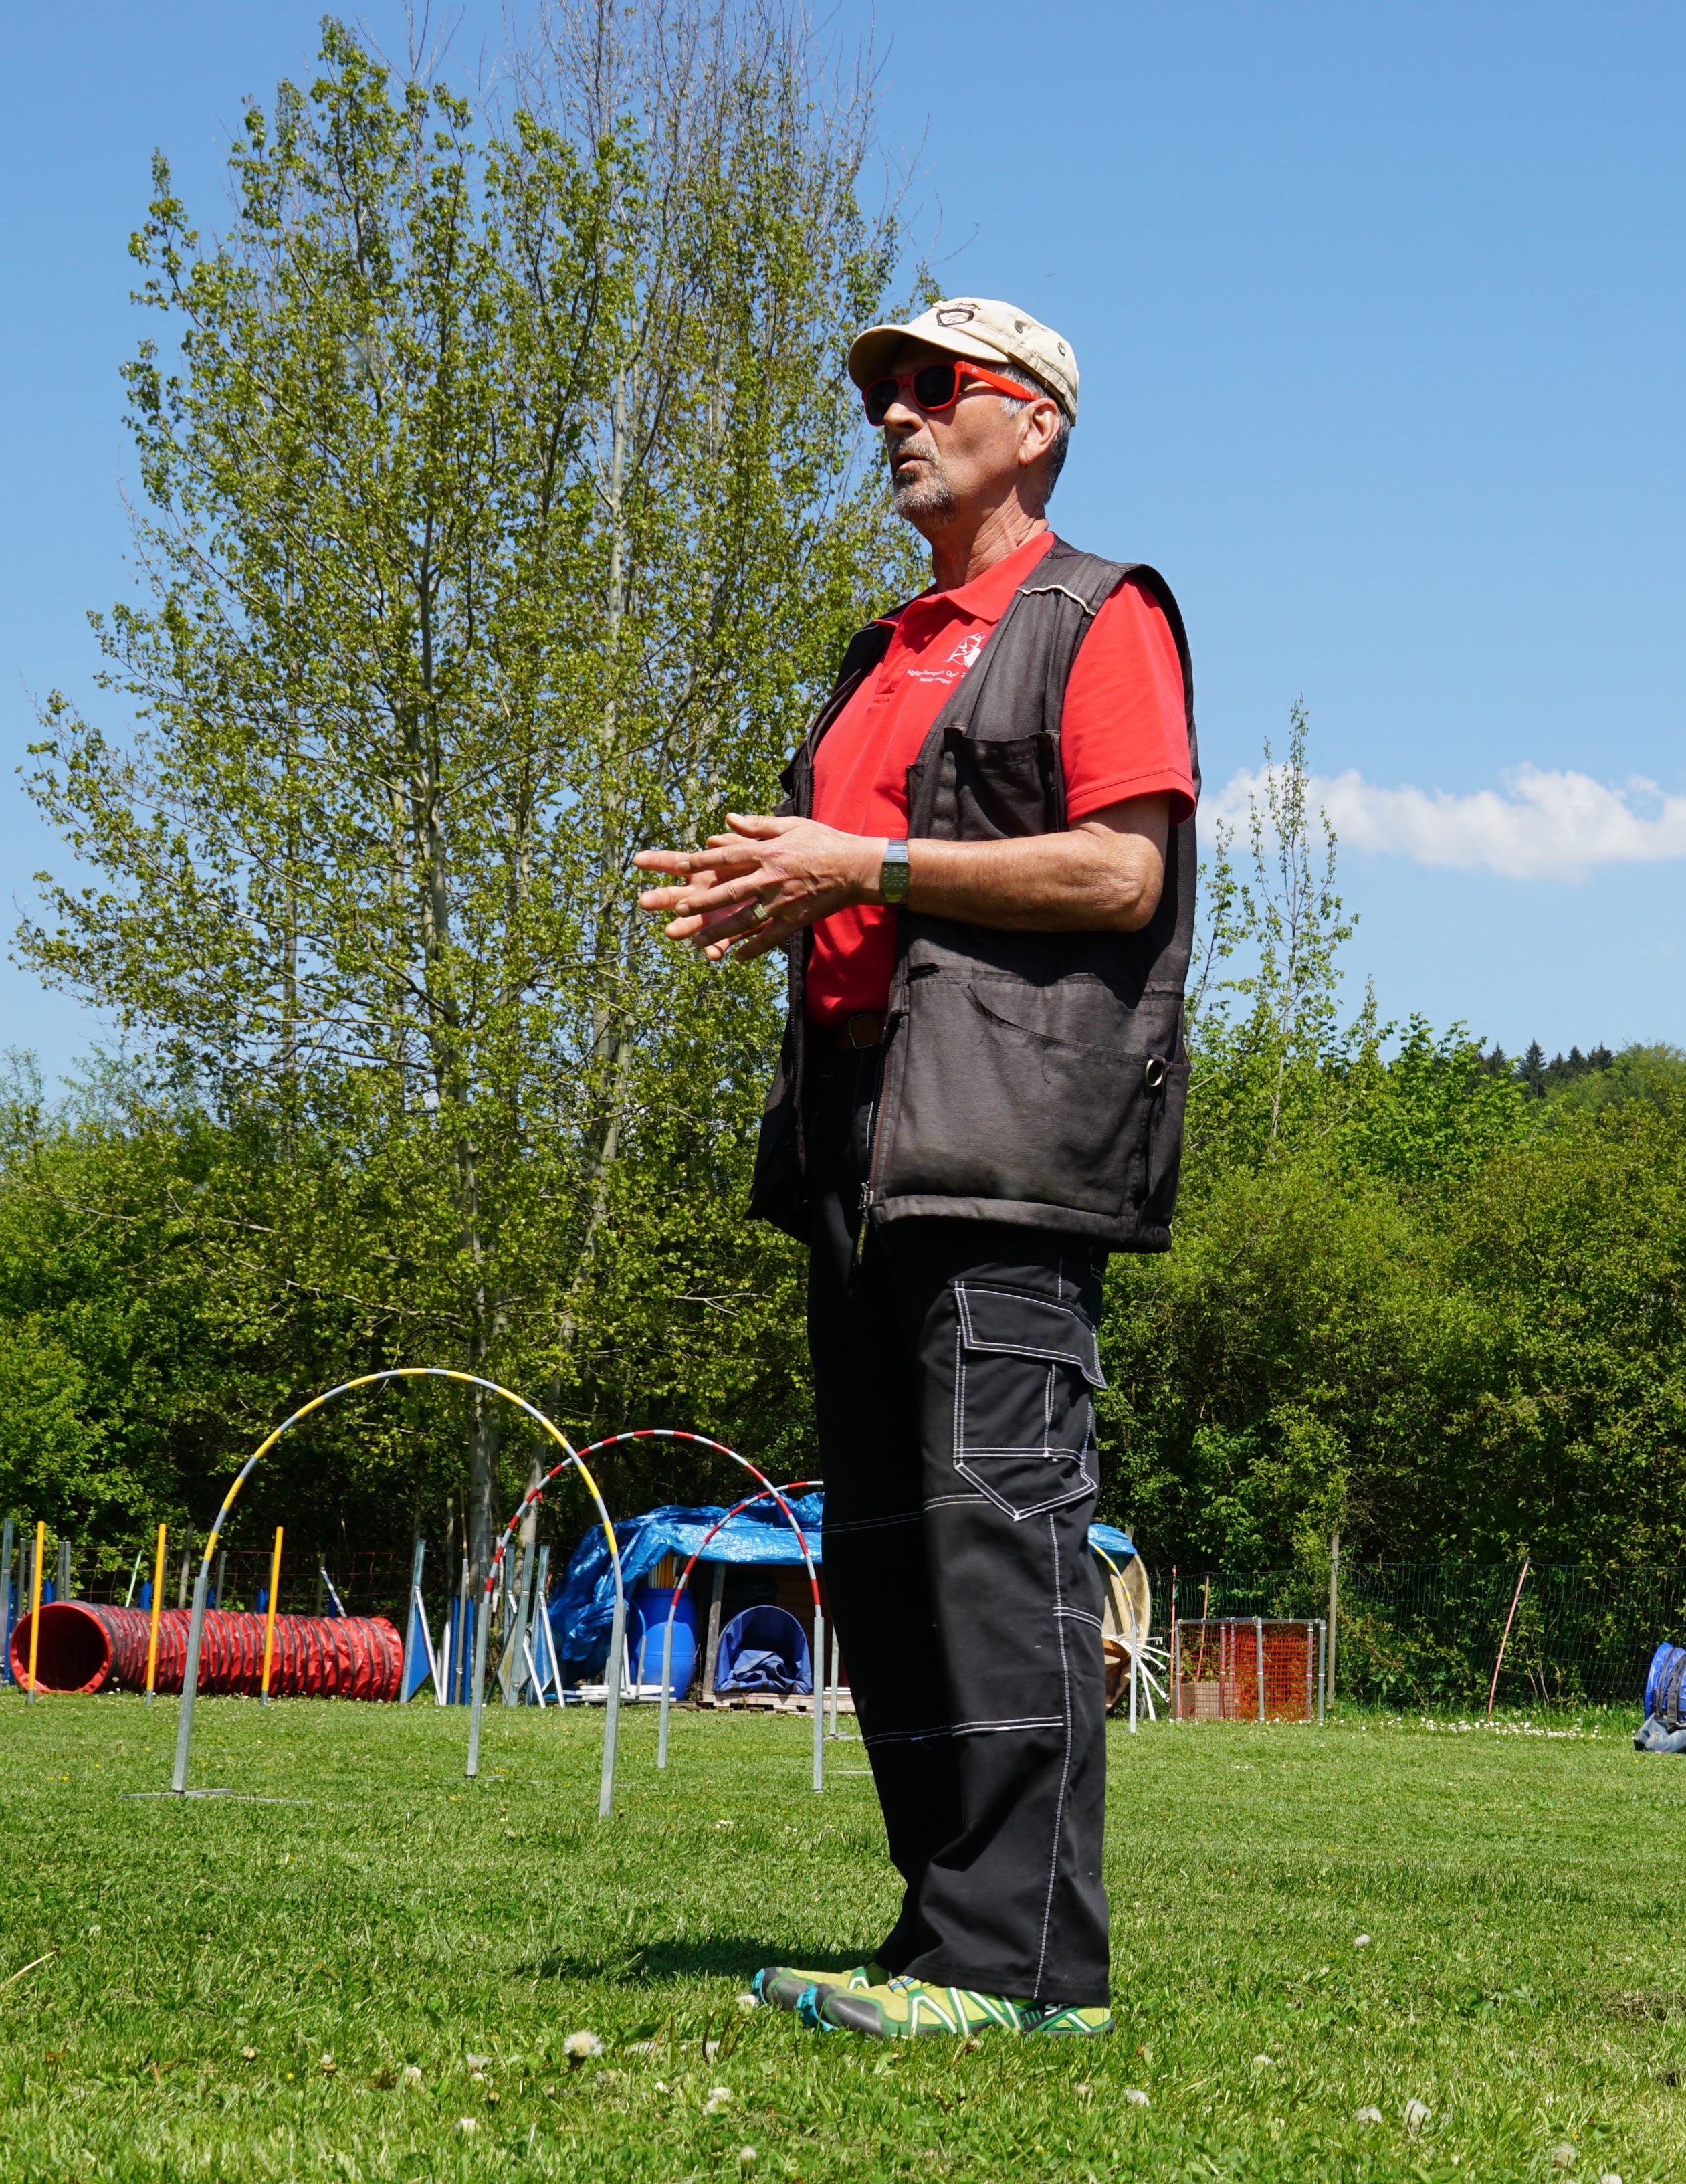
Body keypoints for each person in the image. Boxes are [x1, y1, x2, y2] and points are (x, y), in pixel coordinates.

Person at [633, 298, 1194, 2040]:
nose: (896, 414)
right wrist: (783, 891)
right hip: (852, 1143)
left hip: (1003, 1146)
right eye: (883, 392)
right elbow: (853, 868)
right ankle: (943, 1931)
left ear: (1034, 422)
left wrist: (865, 864)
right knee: (886, 1555)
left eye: (935, 387)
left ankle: (1025, 1969)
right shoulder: (876, 649)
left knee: (998, 1539)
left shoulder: (1098, 612)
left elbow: (1121, 874)